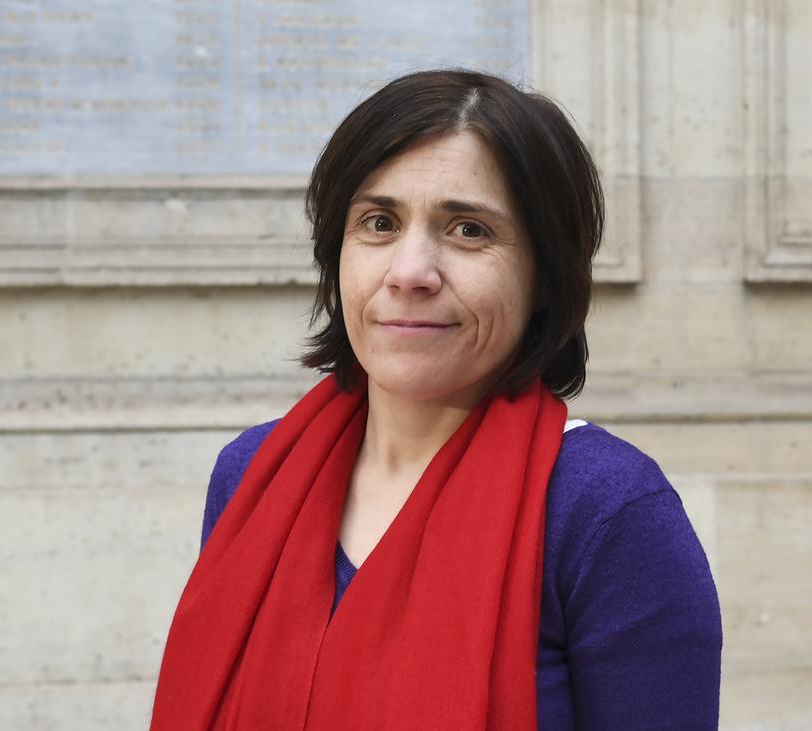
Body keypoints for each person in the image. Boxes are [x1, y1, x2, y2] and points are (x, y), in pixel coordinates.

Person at [150, 69, 722, 730]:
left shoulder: (606, 510)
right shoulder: (252, 474)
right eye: (379, 223)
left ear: (545, 274)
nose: (409, 272)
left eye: (469, 230)